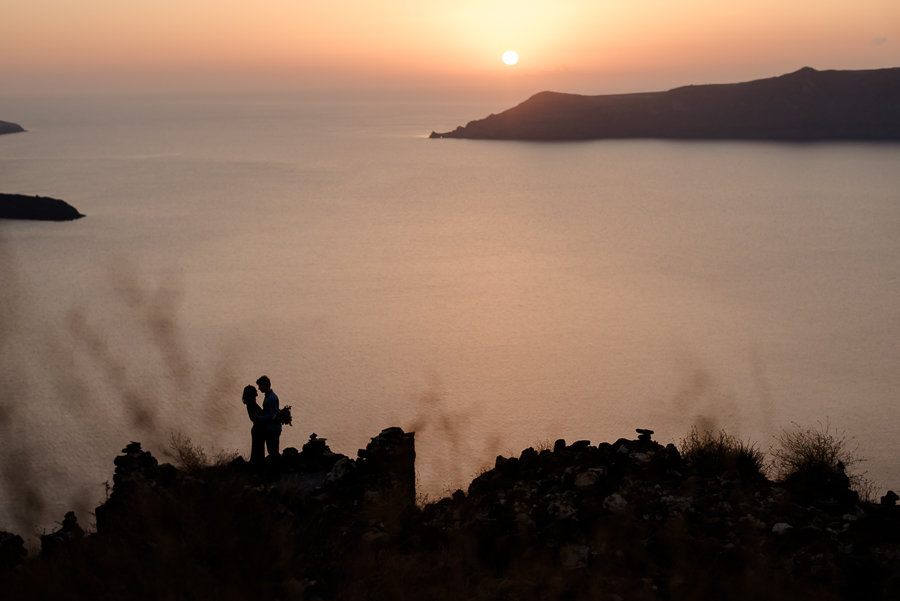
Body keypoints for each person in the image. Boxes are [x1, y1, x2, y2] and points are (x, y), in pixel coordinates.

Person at [255, 375, 282, 463]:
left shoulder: (272, 398)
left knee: (273, 451)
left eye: (260, 386)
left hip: (273, 429)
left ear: (264, 385)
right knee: (272, 451)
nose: (259, 388)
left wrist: (258, 417)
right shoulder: (268, 396)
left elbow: (272, 415)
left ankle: (276, 472)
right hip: (270, 429)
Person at [241, 384, 265, 470]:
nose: (257, 394)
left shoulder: (251, 404)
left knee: (257, 451)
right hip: (258, 430)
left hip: (257, 429)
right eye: (255, 392)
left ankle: (256, 469)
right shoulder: (252, 405)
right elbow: (255, 418)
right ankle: (257, 470)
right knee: (258, 451)